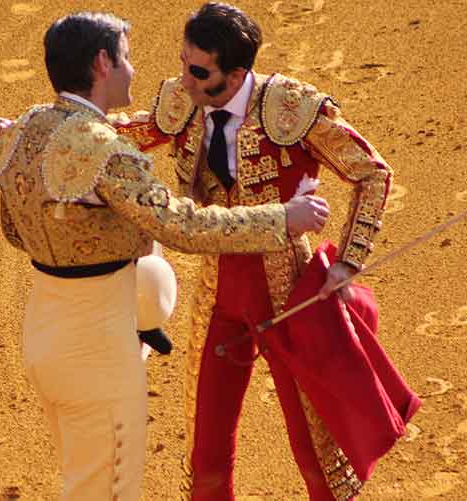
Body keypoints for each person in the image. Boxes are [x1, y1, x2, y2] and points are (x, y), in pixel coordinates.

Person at [0, 11, 330, 501]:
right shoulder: (102, 150)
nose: (135, 70)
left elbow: (14, 230)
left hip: (43, 340)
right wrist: (282, 219)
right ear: (102, 63)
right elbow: (184, 225)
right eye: (127, 58)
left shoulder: (24, 131)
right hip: (97, 350)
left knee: (85, 481)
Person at [109, 3, 404, 500]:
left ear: (236, 73)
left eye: (198, 71)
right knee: (205, 458)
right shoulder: (183, 103)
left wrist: (350, 259)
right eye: (183, 63)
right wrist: (43, 129)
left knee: (316, 457)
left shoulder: (292, 108)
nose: (183, 80)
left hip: (290, 296)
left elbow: (372, 173)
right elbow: (119, 136)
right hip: (216, 295)